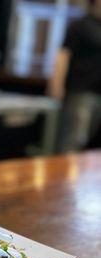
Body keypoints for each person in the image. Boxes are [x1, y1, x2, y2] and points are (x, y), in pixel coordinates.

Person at [48, 0, 101, 151]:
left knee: (90, 145)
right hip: (81, 92)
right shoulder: (80, 25)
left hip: (99, 93)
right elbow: (63, 55)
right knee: (73, 141)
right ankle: (65, 174)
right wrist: (56, 84)